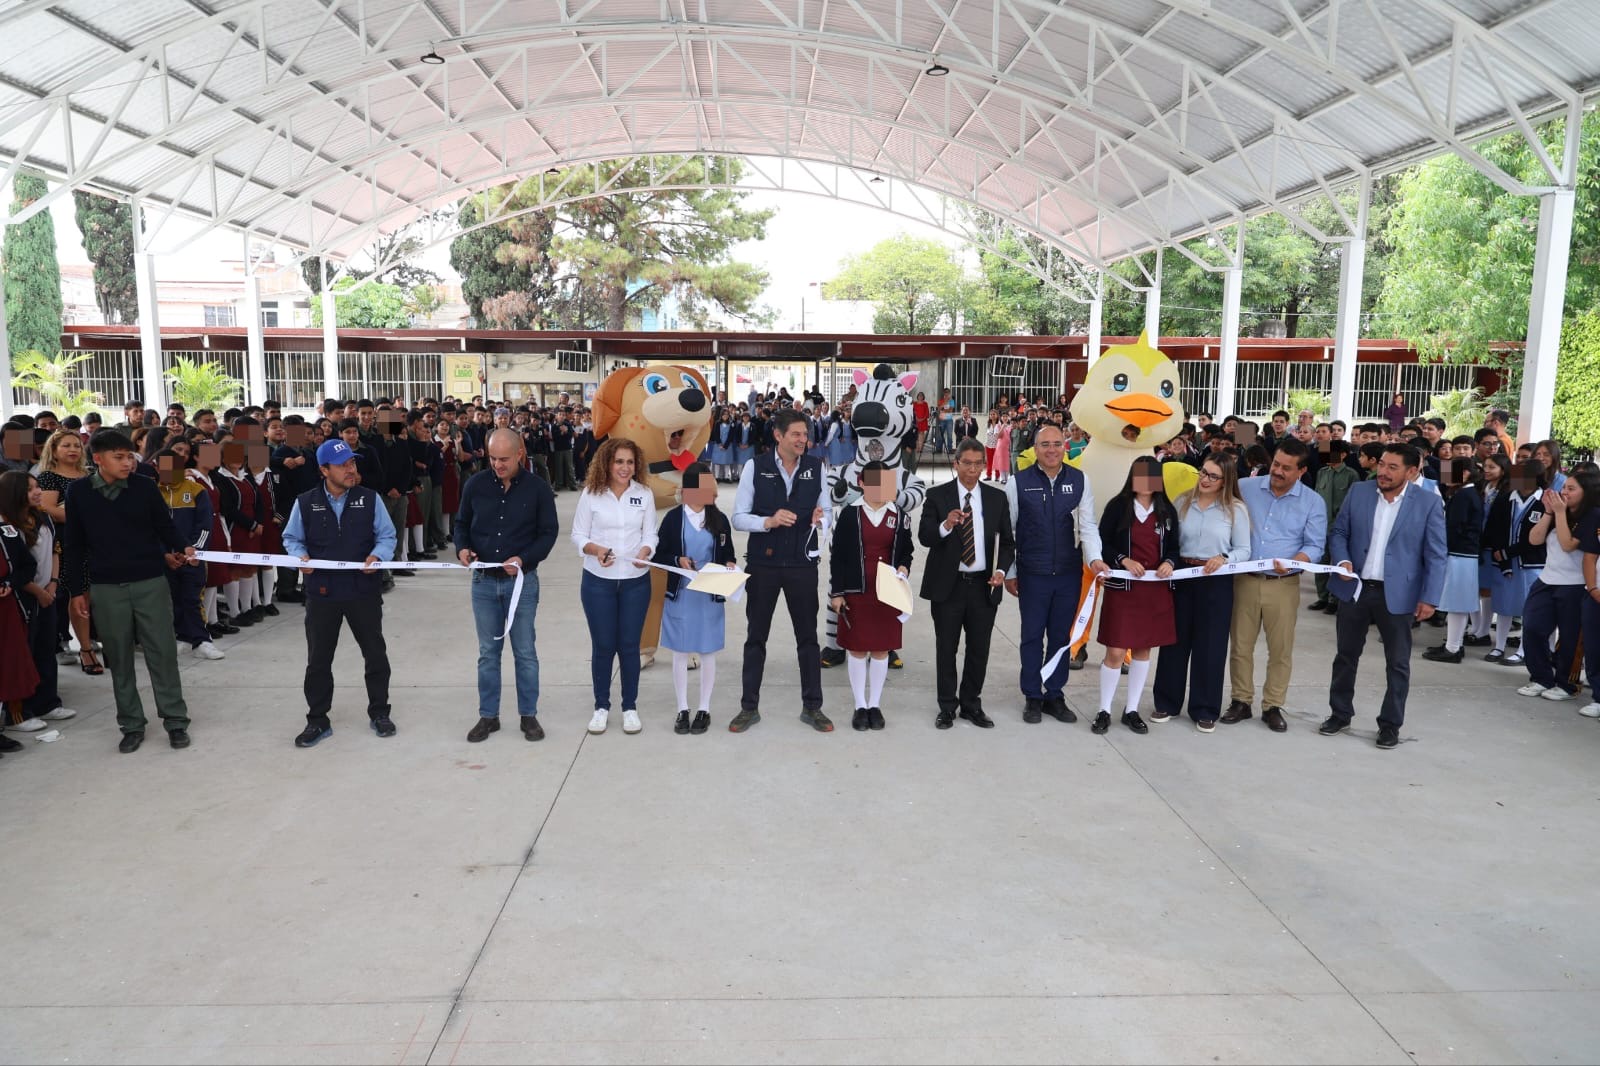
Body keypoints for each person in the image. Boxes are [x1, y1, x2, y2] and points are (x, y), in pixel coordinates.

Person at [61, 430, 198, 753]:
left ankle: (175, 721)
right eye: (119, 457)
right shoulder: (79, 492)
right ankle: (131, 724)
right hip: (106, 587)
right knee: (119, 657)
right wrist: (77, 590)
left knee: (162, 653)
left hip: (150, 581)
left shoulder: (144, 487)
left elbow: (164, 526)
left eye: (129, 456)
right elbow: (74, 544)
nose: (128, 463)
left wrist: (184, 546)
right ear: (98, 459)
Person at [1322, 443, 1448, 748]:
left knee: (1398, 663)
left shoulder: (1428, 504)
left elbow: (1436, 554)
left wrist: (1430, 598)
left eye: (1393, 467)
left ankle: (1390, 724)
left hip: (1399, 595)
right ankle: (1340, 713)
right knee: (1345, 656)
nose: (1384, 472)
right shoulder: (1360, 492)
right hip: (1356, 589)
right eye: (1382, 464)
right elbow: (1339, 533)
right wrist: (1341, 561)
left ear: (1412, 471)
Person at [281, 439, 399, 747]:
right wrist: (300, 557)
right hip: (322, 593)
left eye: (353, 463)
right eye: (343, 465)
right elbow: (292, 538)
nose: (351, 469)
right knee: (318, 659)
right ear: (323, 470)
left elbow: (387, 535)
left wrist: (379, 556)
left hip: (363, 590)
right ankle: (317, 719)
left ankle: (379, 712)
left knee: (375, 654)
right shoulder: (305, 502)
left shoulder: (370, 498)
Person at [731, 408, 832, 733]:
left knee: (808, 640)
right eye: (797, 435)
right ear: (779, 436)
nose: (804, 440)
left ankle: (812, 707)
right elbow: (738, 517)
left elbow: (829, 511)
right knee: (755, 638)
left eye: (805, 434)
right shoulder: (754, 467)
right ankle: (749, 707)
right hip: (764, 565)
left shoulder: (818, 467)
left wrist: (821, 520)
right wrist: (768, 522)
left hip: (803, 565)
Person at [456, 428, 560, 743]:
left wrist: (524, 559)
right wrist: (462, 548)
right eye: (492, 458)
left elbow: (548, 533)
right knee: (488, 653)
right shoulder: (475, 484)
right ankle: (489, 716)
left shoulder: (538, 489)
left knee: (525, 652)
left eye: (504, 459)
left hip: (522, 586)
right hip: (484, 584)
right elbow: (461, 524)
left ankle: (528, 716)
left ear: (519, 455)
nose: (498, 465)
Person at [1003, 423, 1109, 724]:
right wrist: (1011, 570)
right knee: (1032, 636)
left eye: (1057, 444)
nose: (1051, 450)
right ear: (1035, 449)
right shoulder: (1018, 482)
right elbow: (1009, 530)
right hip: (1032, 573)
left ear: (1066, 446)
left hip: (1067, 572)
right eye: (1045, 444)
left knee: (1062, 637)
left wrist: (1096, 559)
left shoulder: (1079, 480)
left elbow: (1088, 526)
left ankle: (1054, 694)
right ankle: (1032, 696)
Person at [1222, 438, 1327, 733]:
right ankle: (1240, 701)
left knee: (1280, 649)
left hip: (1284, 583)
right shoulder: (1246, 487)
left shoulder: (1312, 502)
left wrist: (1296, 561)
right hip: (1244, 579)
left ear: (1302, 471)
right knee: (1241, 645)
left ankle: (1273, 705)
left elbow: (1315, 545)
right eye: (1276, 464)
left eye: (1286, 468)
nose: (1278, 471)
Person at [919, 438, 1014, 730]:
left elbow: (1008, 543)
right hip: (948, 587)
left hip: (984, 585)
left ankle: (972, 704)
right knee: (946, 648)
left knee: (979, 648)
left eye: (977, 464)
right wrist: (946, 525)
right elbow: (925, 537)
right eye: (967, 463)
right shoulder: (937, 496)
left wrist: (1000, 570)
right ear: (956, 463)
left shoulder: (996, 498)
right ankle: (947, 706)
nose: (972, 470)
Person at [1151, 455, 1252, 732]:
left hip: (1215, 580)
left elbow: (1244, 549)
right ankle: (1166, 702)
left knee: (1210, 645)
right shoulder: (1183, 502)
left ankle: (1205, 708)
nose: (1205, 480)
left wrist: (1224, 558)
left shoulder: (1235, 509)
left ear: (1226, 481)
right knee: (1174, 642)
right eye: (1203, 473)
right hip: (1182, 575)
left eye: (1213, 476)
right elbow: (1169, 539)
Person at [571, 437, 657, 735]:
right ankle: (601, 706)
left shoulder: (644, 494)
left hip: (635, 583)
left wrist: (646, 552)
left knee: (630, 647)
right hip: (598, 583)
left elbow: (651, 536)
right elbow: (578, 535)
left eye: (630, 462)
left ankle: (629, 707)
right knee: (604, 646)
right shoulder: (591, 494)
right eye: (619, 461)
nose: (624, 467)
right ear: (607, 463)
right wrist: (596, 550)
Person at [1090, 455, 1179, 735]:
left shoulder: (1167, 510)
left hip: (1154, 590)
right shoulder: (1118, 506)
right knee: (1116, 650)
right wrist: (1123, 560)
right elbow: (1101, 542)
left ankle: (1132, 710)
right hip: (1124, 589)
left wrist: (1169, 563)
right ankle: (1104, 709)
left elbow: (1175, 547)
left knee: (1143, 650)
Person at [830, 461, 915, 731]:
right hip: (856, 590)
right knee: (856, 648)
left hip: (887, 593)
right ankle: (859, 705)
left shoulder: (899, 515)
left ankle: (875, 704)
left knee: (880, 649)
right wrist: (838, 592)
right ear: (862, 483)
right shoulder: (849, 514)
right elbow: (838, 557)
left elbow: (907, 550)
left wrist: (904, 566)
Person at [656, 463, 738, 735]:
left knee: (707, 651)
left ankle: (704, 708)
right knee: (680, 651)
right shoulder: (672, 519)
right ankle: (682, 708)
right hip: (681, 592)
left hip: (709, 592)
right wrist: (676, 559)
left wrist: (729, 566)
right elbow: (659, 555)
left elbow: (729, 554)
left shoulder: (719, 519)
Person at [1513, 471, 1598, 702]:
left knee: (1570, 638)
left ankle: (1566, 684)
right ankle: (1541, 677)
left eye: (1572, 489)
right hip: (1547, 579)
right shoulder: (1555, 510)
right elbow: (1534, 539)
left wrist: (1559, 513)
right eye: (1565, 487)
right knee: (1532, 628)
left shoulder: (1592, 515)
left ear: (1586, 492)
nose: (1564, 492)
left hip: (1575, 584)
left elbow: (1568, 544)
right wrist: (1549, 512)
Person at [0, 471, 75, 733]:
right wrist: (38, 591)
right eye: (30, 488)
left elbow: (55, 550)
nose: (37, 492)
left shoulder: (42, 516)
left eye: (37, 487)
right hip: (23, 598)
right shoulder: (6, 525)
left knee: (45, 648)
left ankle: (47, 702)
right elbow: (14, 568)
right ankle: (19, 713)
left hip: (47, 592)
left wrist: (52, 583)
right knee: (22, 655)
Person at [1479, 456, 1545, 665]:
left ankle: (1523, 650)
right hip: (1503, 562)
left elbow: (1537, 538)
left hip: (1530, 563)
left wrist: (1509, 552)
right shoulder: (1505, 498)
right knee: (1503, 604)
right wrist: (1501, 554)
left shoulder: (1544, 501)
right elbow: (1494, 528)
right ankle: (1498, 646)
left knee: (1529, 608)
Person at [1422, 457, 1486, 664]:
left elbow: (1452, 528)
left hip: (1460, 554)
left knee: (1457, 603)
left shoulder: (1465, 495)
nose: (1445, 477)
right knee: (1454, 602)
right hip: (1462, 554)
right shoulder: (1465, 493)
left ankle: (1453, 648)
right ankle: (1453, 643)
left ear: (1466, 473)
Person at [1308, 440, 1359, 612]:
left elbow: (1353, 503)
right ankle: (1322, 597)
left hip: (1340, 527)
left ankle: (1334, 600)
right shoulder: (1322, 472)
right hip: (1321, 526)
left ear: (1343, 454)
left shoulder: (1351, 475)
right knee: (1320, 563)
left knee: (1338, 563)